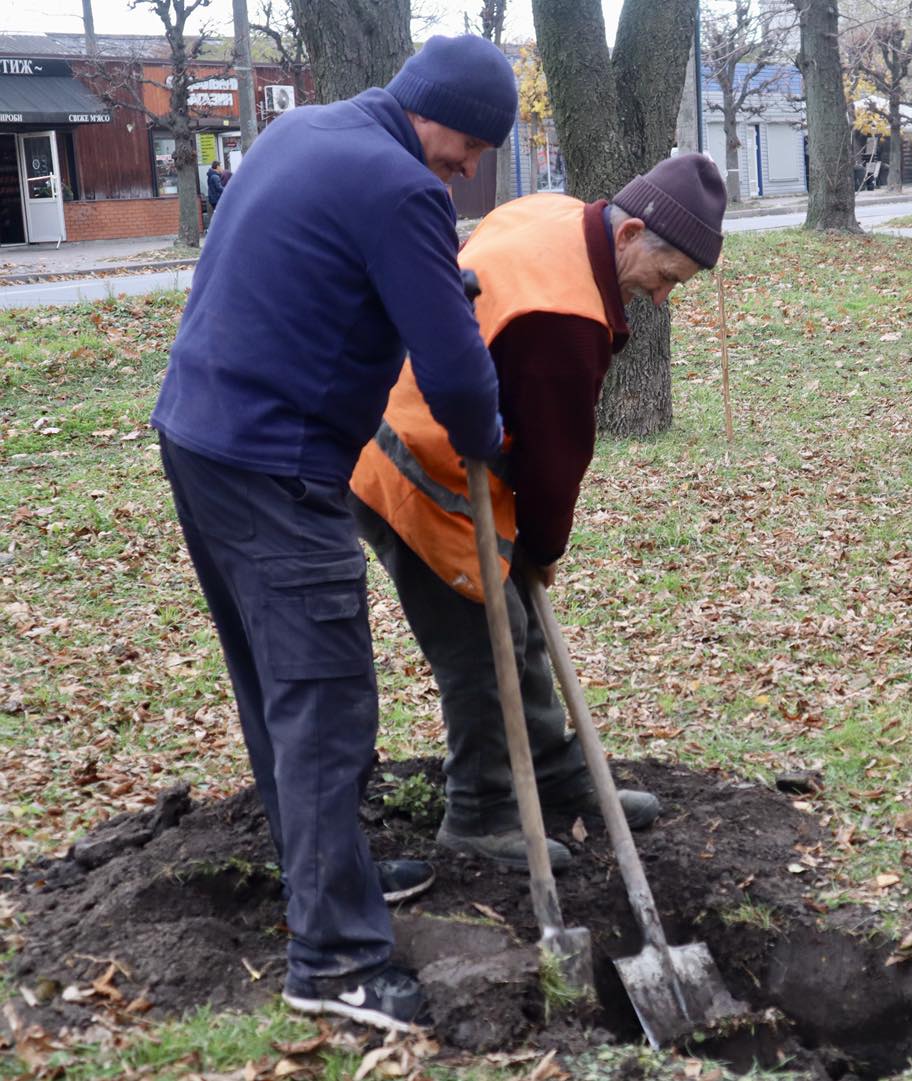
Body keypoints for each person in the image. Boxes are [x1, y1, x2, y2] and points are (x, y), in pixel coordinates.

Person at [149, 35, 517, 1033]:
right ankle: (336, 959)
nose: (470, 166)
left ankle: (327, 874)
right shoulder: (405, 190)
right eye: (472, 144)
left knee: (276, 689)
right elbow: (453, 377)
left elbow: (310, 268)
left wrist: (429, 284)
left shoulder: (301, 134)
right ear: (433, 114)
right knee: (324, 699)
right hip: (278, 462)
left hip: (199, 435)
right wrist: (490, 439)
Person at [349, 154, 726, 871]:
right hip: (418, 457)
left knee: (514, 626)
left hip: (440, 435)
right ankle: (484, 813)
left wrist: (527, 552)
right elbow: (555, 463)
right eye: (666, 276)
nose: (660, 300)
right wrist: (544, 548)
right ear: (631, 233)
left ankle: (549, 770)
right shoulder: (563, 314)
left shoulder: (555, 212)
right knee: (481, 638)